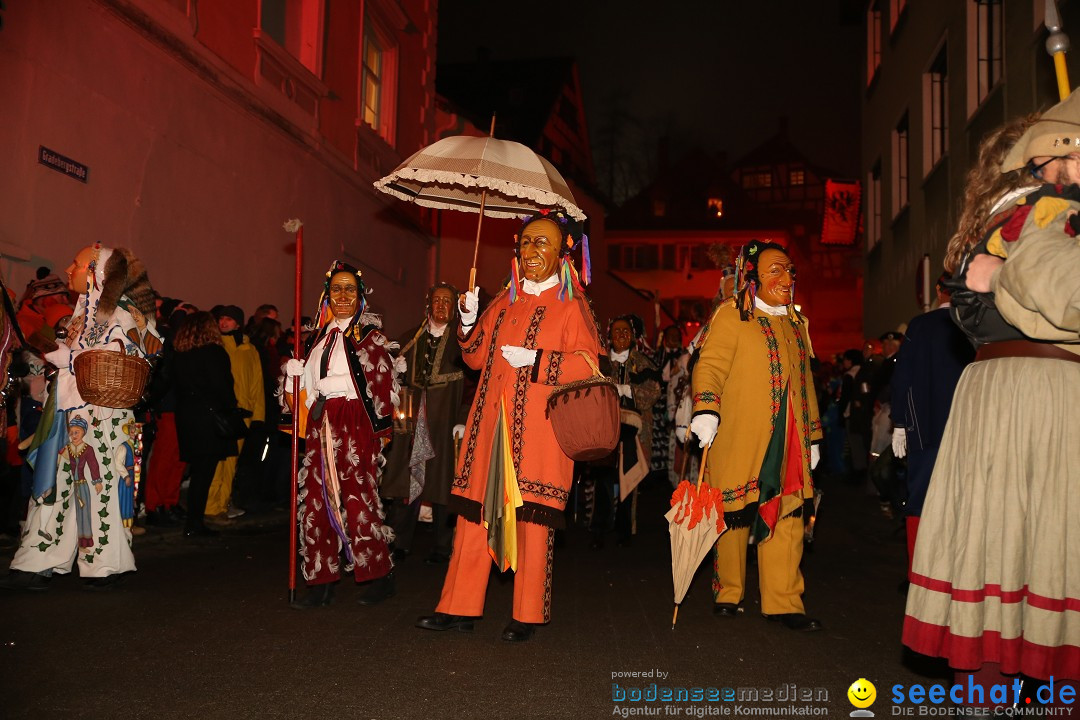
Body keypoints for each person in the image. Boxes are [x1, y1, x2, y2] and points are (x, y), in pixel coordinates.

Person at [904, 101, 1080, 690]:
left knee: (1006, 552)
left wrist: (995, 279)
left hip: (1005, 395)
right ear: (1055, 159)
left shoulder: (1015, 216)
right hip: (1041, 396)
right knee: (1039, 551)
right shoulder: (1048, 213)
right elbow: (1066, 294)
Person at [416, 209, 603, 642]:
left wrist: (538, 362)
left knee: (533, 524)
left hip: (539, 434)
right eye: (526, 242)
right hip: (489, 427)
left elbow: (590, 365)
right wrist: (466, 322)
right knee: (473, 518)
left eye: (543, 243)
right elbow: (475, 357)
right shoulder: (503, 300)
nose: (531, 250)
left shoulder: (572, 307)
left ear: (563, 255)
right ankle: (458, 606)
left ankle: (527, 614)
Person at [2, 244, 160, 590]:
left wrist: (70, 360)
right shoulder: (79, 314)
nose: (69, 268)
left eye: (76, 263)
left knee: (98, 486)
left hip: (104, 415)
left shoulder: (126, 314)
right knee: (53, 487)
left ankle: (105, 563)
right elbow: (76, 355)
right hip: (66, 410)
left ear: (96, 273)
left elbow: (134, 352)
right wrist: (55, 353)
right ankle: (37, 560)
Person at [689, 239, 823, 632]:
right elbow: (709, 365)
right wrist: (707, 408)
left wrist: (814, 435)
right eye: (775, 270)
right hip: (741, 433)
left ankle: (784, 602)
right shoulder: (732, 316)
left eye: (790, 270)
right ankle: (729, 592)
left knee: (790, 512)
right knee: (735, 514)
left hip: (790, 437)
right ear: (753, 277)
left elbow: (807, 383)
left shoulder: (796, 323)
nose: (787, 278)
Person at [284, 260, 399, 609]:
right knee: (314, 502)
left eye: (351, 289)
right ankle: (321, 579)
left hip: (354, 421)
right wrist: (292, 377)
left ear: (360, 295)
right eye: (337, 289)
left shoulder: (370, 337)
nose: (344, 295)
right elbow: (303, 396)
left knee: (358, 498)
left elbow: (381, 387)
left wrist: (377, 433)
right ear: (327, 296)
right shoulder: (315, 339)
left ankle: (379, 574)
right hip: (321, 422)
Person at [889, 274, 974, 587]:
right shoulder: (976, 323)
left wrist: (900, 422)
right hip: (970, 430)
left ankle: (921, 575)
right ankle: (961, 576)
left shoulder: (921, 326)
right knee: (965, 502)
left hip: (926, 428)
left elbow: (903, 376)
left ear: (940, 292)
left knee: (921, 502)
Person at [382, 283, 470, 565]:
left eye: (447, 301)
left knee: (443, 482)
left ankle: (443, 546)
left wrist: (463, 419)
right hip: (411, 422)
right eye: (437, 301)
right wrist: (396, 375)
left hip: (445, 423)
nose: (441, 306)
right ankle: (399, 541)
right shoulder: (409, 338)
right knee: (407, 482)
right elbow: (389, 382)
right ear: (428, 304)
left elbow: (473, 385)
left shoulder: (463, 344)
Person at [591, 315, 659, 548]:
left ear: (633, 336)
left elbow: (653, 392)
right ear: (609, 336)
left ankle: (624, 531)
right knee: (603, 481)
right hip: (604, 430)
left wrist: (628, 390)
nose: (621, 335)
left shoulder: (643, 362)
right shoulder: (599, 364)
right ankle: (599, 529)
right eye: (617, 331)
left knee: (629, 479)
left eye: (626, 331)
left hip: (633, 432)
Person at [172, 311, 241, 537]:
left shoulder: (180, 355)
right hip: (209, 420)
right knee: (204, 473)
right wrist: (231, 409)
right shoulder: (214, 353)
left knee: (197, 473)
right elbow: (223, 386)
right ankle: (195, 523)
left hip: (187, 419)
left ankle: (194, 521)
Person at [206, 304, 264, 522]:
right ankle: (211, 507)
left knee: (231, 463)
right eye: (221, 319)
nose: (223, 323)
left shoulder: (250, 350)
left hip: (243, 414)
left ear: (238, 323)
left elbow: (257, 383)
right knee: (218, 460)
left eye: (229, 319)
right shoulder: (217, 345)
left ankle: (221, 504)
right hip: (222, 412)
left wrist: (258, 416)